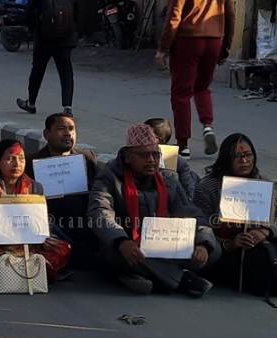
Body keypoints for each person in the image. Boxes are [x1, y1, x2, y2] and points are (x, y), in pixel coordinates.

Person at [87, 123, 218, 297]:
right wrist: (121, 241)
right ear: (127, 157)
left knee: (213, 249)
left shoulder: (168, 178)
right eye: (143, 155)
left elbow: (191, 212)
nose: (151, 160)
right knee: (116, 254)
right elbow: (99, 212)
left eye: (155, 155)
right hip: (129, 244)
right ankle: (182, 279)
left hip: (164, 244)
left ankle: (146, 276)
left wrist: (203, 243)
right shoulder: (109, 176)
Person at [155, 0, 235, 157]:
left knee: (181, 93)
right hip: (214, 41)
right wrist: (225, 47)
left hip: (188, 42)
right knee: (202, 87)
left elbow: (174, 16)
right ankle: (207, 126)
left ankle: (184, 145)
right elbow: (230, 14)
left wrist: (163, 49)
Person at [192, 133, 277, 294]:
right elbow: (199, 227)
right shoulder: (208, 186)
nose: (245, 161)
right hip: (223, 251)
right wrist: (230, 244)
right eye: (237, 156)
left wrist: (264, 232)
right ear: (226, 159)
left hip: (259, 244)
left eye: (248, 155)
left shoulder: (262, 182)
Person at [0, 139, 70, 288]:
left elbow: (40, 222)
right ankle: (33, 271)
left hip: (29, 245)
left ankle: (4, 274)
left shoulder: (35, 187)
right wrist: (7, 242)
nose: (16, 164)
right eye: (10, 159)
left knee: (63, 248)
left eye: (21, 159)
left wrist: (44, 237)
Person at [26, 112, 100, 267]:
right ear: (47, 134)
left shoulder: (87, 159)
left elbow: (98, 194)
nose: (68, 134)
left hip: (81, 225)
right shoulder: (31, 162)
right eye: (61, 129)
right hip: (49, 226)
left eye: (71, 129)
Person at [17, 0, 79, 116]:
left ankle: (31, 103)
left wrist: (33, 30)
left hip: (44, 38)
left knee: (38, 70)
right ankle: (67, 107)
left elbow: (29, 12)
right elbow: (78, 15)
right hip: (65, 39)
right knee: (66, 72)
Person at [142, 117, 199, 199]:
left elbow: (189, 193)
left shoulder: (177, 161)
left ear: (158, 140)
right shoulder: (136, 154)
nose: (140, 139)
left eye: (144, 136)